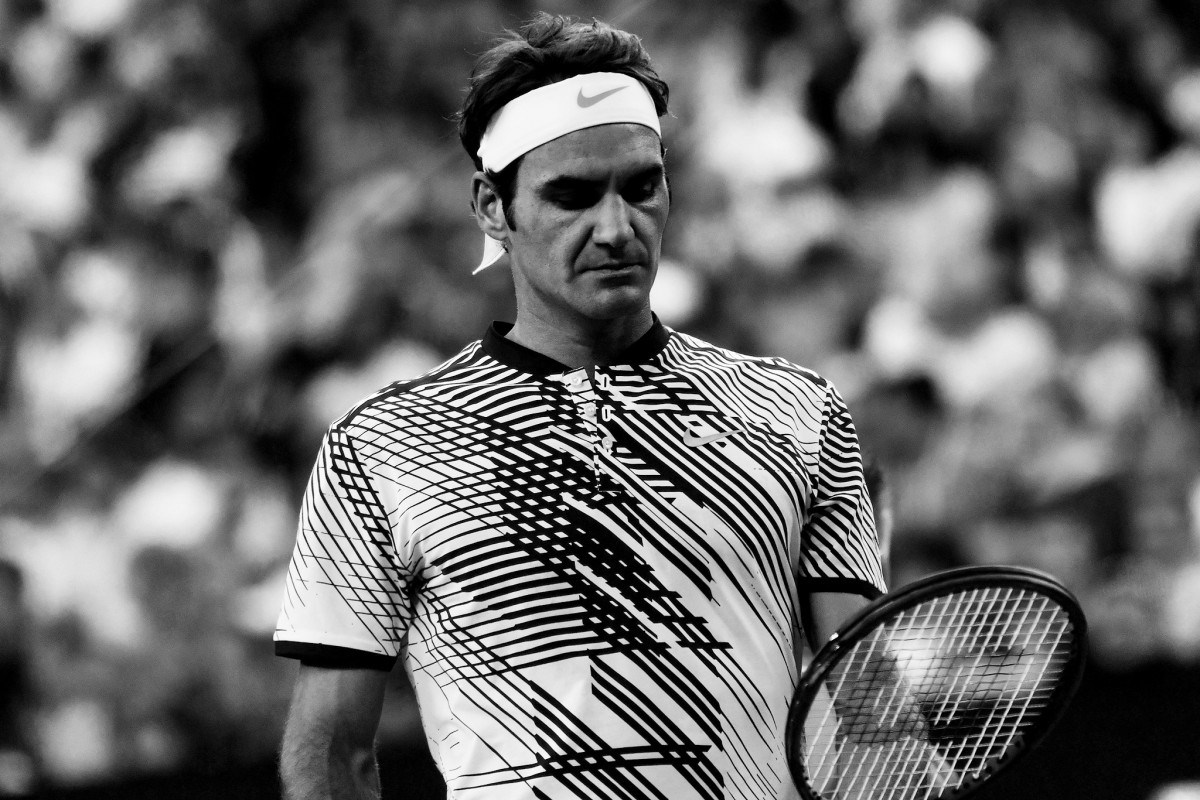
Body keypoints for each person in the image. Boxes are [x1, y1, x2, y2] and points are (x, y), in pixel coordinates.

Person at [275, 13, 886, 800]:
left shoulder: (799, 410)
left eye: (641, 187)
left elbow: (871, 713)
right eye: (572, 196)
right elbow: (332, 756)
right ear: (491, 207)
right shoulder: (378, 446)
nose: (616, 228)